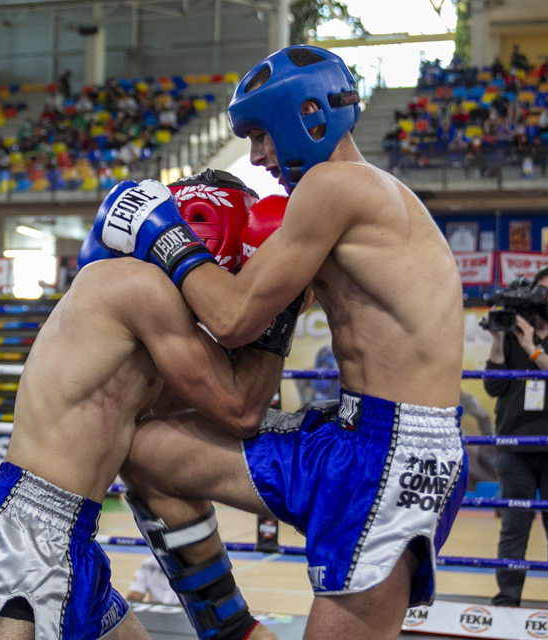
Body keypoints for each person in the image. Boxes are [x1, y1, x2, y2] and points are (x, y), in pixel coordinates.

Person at [85, 45, 468, 640]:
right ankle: (232, 630)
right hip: (347, 435)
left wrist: (161, 232)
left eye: (261, 135)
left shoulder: (336, 187)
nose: (256, 155)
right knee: (149, 452)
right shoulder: (348, 202)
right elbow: (254, 319)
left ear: (307, 115)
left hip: (395, 457)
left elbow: (234, 317)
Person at [0, 171, 287, 640]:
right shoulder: (137, 287)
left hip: (74, 541)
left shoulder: (156, 327)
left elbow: (181, 440)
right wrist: (282, 300)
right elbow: (240, 409)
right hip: (21, 538)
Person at [483, 264, 548, 610]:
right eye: (543, 290)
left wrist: (533, 350)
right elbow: (493, 386)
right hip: (513, 446)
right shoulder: (513, 331)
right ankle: (507, 599)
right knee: (513, 528)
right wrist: (498, 339)